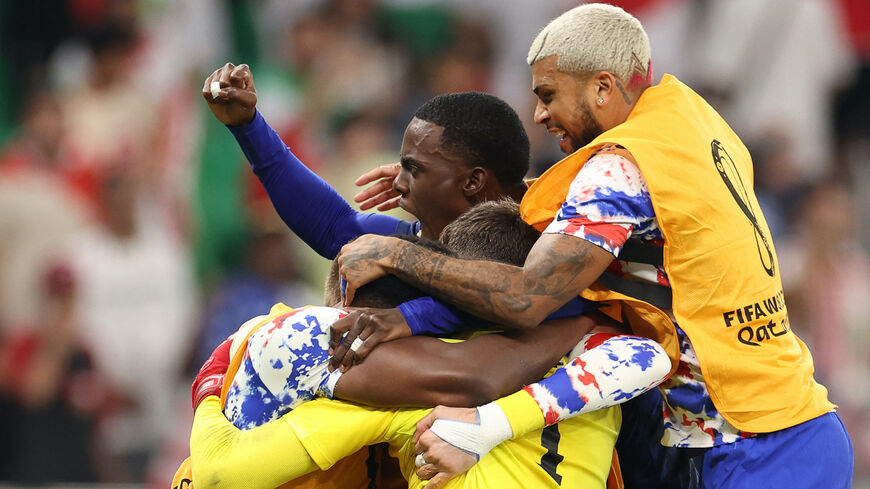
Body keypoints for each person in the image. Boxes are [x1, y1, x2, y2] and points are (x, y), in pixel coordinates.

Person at [334, 4, 853, 489]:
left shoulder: (617, 168)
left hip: (755, 446)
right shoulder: (690, 120)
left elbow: (525, 298)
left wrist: (396, 252)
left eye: (547, 95)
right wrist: (436, 183)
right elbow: (612, 206)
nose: (539, 115)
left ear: (602, 87)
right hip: (787, 430)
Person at [179, 200, 671, 488]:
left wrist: (209, 388)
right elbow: (647, 356)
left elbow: (220, 473)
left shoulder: (415, 395)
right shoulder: (590, 361)